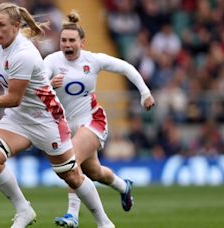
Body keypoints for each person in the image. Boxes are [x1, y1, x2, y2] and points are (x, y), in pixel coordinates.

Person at [0, 3, 115, 228]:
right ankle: (24, 210)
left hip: (47, 118)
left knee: (71, 176)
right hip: (18, 117)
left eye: (1, 25)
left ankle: (104, 222)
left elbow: (13, 98)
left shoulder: (24, 54)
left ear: (16, 26)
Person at [44, 11, 155, 228]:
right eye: (63, 40)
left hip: (93, 121)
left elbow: (127, 68)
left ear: (82, 43)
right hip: (67, 127)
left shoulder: (92, 60)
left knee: (70, 163)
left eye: (71, 40)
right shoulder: (51, 61)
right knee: (94, 172)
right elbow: (37, 86)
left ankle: (72, 215)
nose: (67, 44)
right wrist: (49, 85)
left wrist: (145, 93)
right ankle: (124, 187)